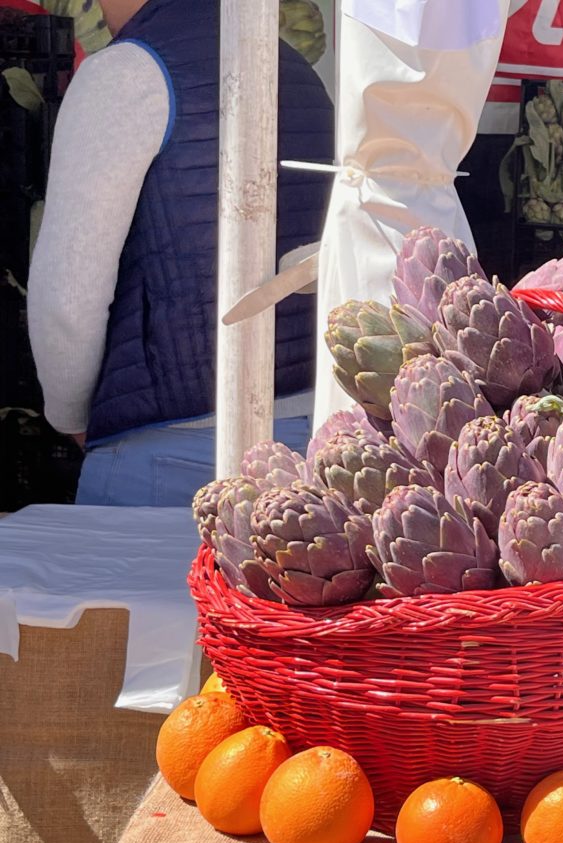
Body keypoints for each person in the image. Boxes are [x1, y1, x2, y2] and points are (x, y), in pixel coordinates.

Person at [26, 0, 333, 506]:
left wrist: (71, 417)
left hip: (169, 456)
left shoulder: (124, 73)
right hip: (307, 439)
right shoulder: (292, 65)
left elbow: (68, 296)